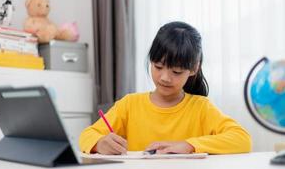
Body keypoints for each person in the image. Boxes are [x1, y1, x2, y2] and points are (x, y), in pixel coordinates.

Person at [79, 21, 252, 155]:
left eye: (176, 71)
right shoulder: (130, 105)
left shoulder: (200, 108)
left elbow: (242, 139)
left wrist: (189, 145)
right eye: (158, 66)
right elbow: (86, 135)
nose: (165, 78)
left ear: (194, 69)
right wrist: (99, 143)